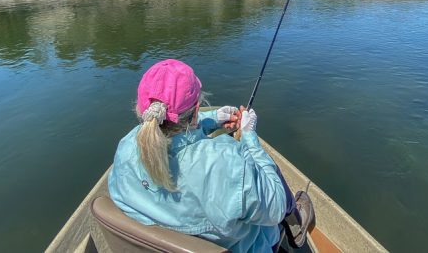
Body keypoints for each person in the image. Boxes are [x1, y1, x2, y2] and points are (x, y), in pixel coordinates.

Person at [108, 58, 313, 252]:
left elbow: (170, 128)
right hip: (245, 246)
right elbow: (275, 206)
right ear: (196, 108)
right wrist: (250, 139)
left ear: (144, 110)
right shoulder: (227, 164)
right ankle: (295, 222)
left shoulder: (126, 147)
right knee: (270, 173)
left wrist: (214, 118)